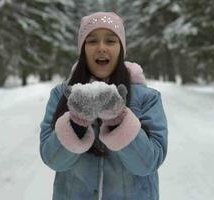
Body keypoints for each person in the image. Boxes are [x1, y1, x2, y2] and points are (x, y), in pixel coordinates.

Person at [40, 11, 168, 200]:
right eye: (92, 41)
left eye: (110, 41)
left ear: (121, 48)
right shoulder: (62, 95)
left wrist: (119, 121)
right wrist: (76, 124)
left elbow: (148, 163)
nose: (101, 48)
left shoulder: (147, 98)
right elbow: (53, 160)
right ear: (83, 49)